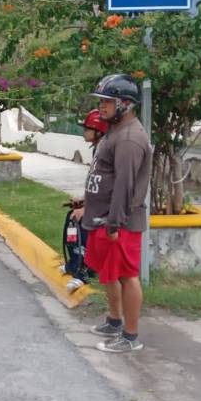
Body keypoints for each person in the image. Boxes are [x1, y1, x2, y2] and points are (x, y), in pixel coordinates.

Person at [81, 74, 152, 353]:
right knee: (109, 274)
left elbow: (125, 184)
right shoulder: (115, 131)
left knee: (126, 275)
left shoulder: (130, 139)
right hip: (104, 217)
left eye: (107, 102)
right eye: (101, 101)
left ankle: (130, 336)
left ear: (125, 103)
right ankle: (114, 320)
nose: (101, 106)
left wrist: (115, 222)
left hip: (120, 221)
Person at [64, 109, 110, 293]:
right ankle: (74, 263)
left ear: (99, 131)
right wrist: (83, 200)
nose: (84, 131)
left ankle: (85, 271)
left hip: (108, 208)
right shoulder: (98, 149)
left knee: (84, 224)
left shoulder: (105, 151)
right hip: (99, 202)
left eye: (88, 128)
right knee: (72, 221)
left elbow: (106, 186)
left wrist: (88, 208)